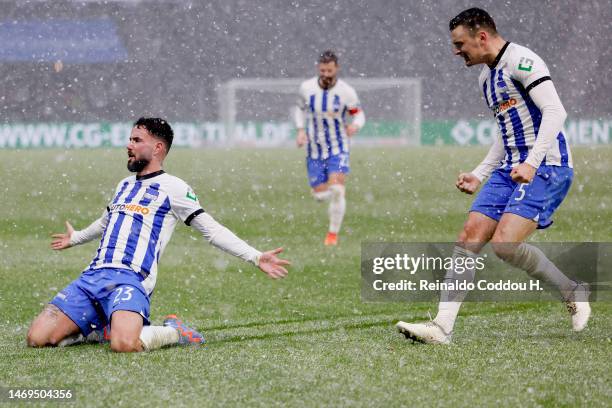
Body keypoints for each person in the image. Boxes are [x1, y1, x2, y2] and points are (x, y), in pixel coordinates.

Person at [396, 8, 590, 344]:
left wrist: (531, 162)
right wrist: (479, 173)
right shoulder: (486, 78)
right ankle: (442, 328)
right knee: (469, 237)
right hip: (509, 168)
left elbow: (556, 111)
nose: (457, 51)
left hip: (548, 165)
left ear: (481, 36)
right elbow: (505, 131)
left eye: (460, 43)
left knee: (504, 245)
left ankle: (570, 290)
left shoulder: (523, 61)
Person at [27, 117, 290, 352]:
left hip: (130, 280)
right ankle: (103, 326)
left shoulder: (174, 187)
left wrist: (256, 257)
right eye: (130, 139)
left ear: (157, 148)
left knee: (124, 345)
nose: (128, 145)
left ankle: (174, 331)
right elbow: (106, 221)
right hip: (93, 276)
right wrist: (76, 238)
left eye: (137, 140)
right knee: (37, 338)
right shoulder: (124, 185)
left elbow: (211, 230)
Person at [294, 50, 365, 246]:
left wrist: (355, 125)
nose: (326, 74)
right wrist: (300, 130)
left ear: (336, 69)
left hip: (338, 146)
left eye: (329, 70)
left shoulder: (346, 92)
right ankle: (323, 194)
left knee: (337, 189)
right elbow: (299, 109)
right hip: (314, 149)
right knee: (320, 196)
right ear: (319, 68)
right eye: (323, 70)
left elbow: (359, 115)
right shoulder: (306, 88)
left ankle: (332, 235)